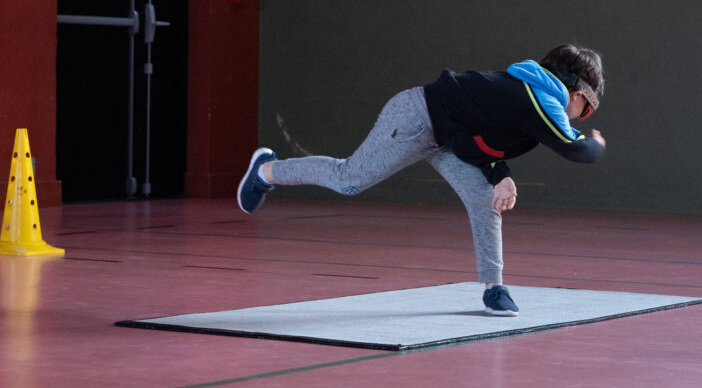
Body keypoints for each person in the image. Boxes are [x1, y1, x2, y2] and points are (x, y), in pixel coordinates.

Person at [237, 44, 606, 317]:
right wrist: (596, 144)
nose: (582, 116)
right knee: (349, 178)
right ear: (573, 88)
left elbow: (478, 139)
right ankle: (267, 170)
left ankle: (494, 288)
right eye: (586, 107)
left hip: (448, 137)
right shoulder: (541, 98)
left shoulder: (528, 93)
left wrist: (500, 175)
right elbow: (576, 150)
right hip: (416, 118)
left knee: (484, 198)